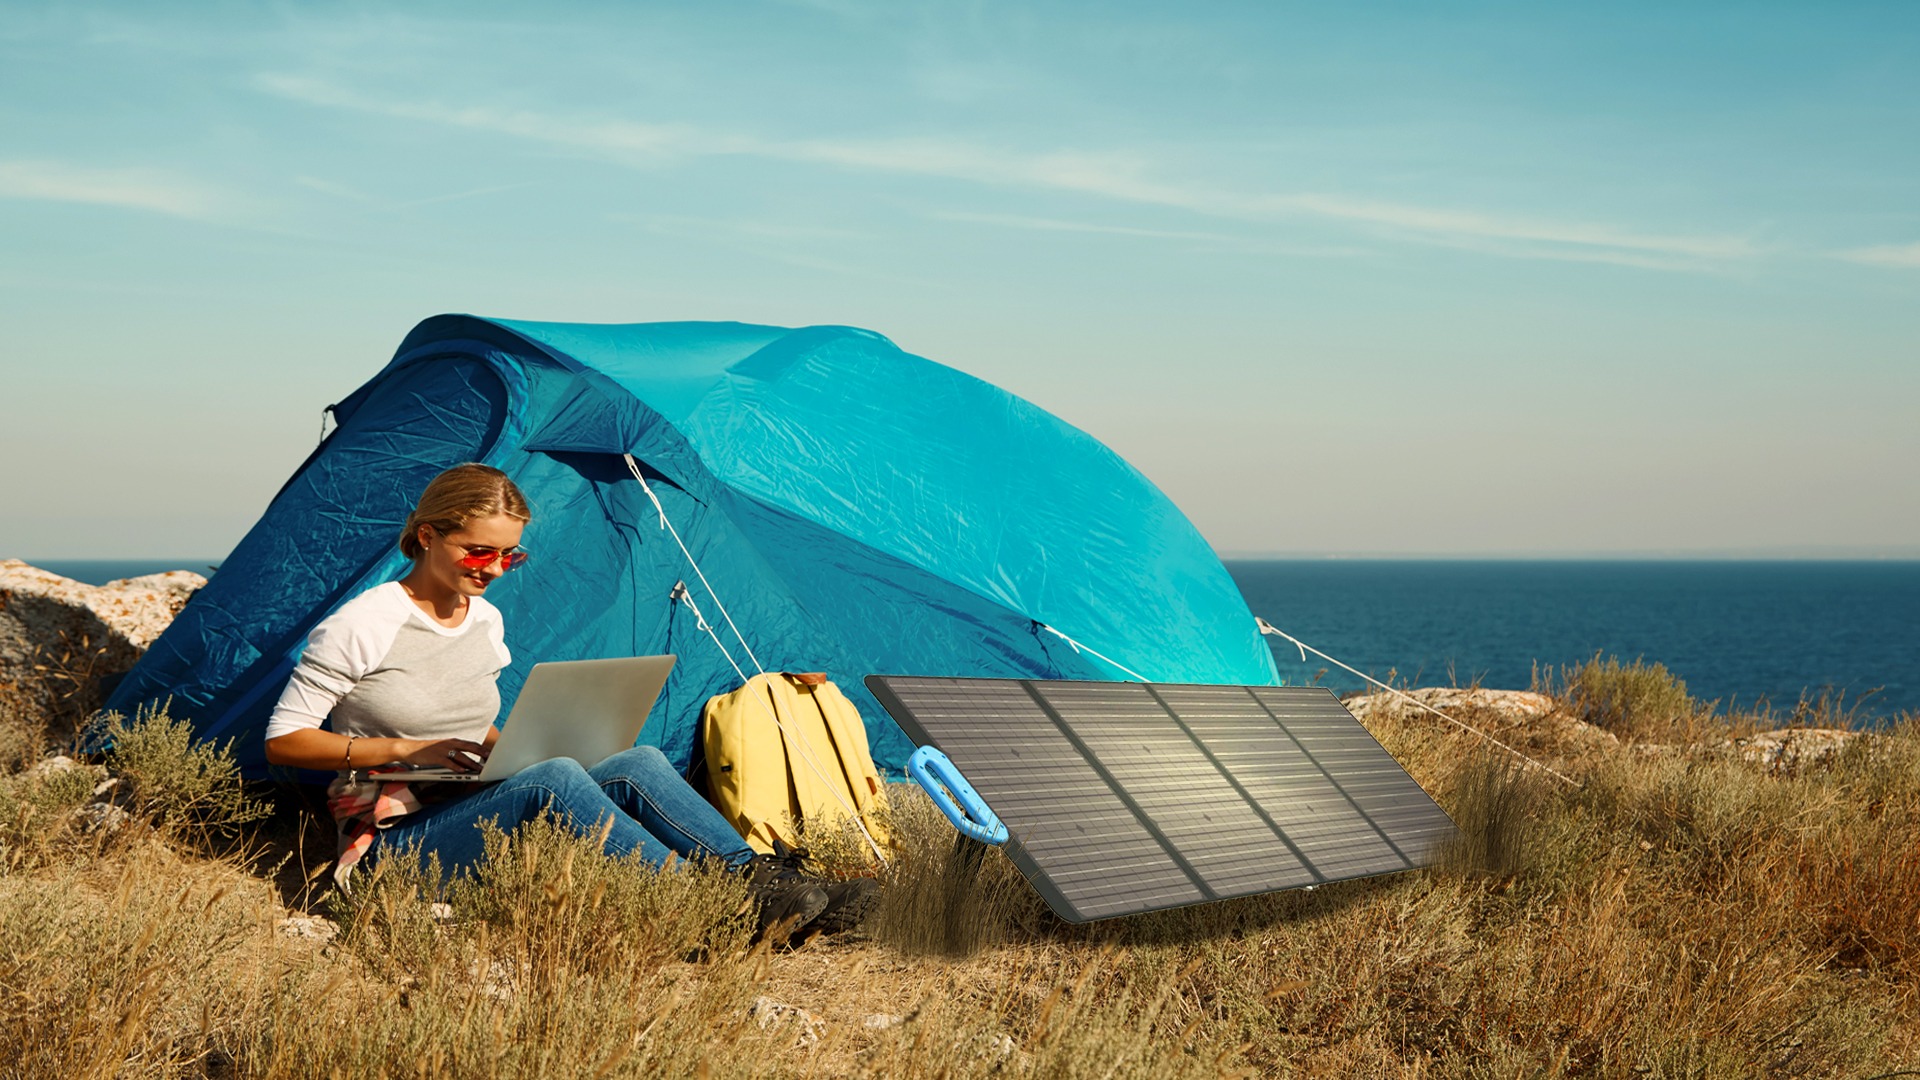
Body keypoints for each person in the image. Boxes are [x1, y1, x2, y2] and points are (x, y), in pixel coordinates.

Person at [263, 462, 870, 938]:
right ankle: (703, 906)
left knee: (638, 760)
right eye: (480, 551)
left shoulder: (485, 621)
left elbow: (479, 726)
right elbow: (284, 740)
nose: (495, 569)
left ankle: (758, 882)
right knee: (552, 779)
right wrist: (405, 748)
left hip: (474, 807)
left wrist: (528, 744)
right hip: (391, 847)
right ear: (427, 536)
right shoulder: (364, 623)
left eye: (510, 555)